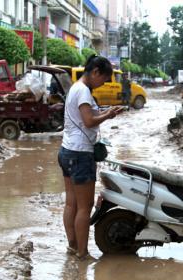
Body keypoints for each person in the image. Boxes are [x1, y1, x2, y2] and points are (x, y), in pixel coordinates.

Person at [58, 55, 124, 260]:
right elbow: (88, 121)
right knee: (84, 208)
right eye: (103, 79)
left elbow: (84, 116)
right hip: (80, 154)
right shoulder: (85, 91)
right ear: (95, 72)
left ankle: (72, 245)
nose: (102, 84)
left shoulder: (75, 88)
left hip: (66, 151)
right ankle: (83, 253)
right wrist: (109, 115)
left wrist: (103, 111)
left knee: (71, 204)